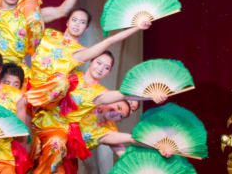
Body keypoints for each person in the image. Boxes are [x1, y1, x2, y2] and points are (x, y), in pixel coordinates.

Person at [29, 51, 167, 173]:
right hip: (39, 121)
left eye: (123, 114)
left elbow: (129, 143)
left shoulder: (103, 119)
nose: (116, 113)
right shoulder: (73, 76)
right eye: (119, 107)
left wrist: (156, 145)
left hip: (57, 147)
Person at [25, 8, 152, 114]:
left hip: (44, 96)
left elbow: (109, 41)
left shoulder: (80, 52)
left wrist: (137, 27)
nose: (76, 24)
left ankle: (34, 103)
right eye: (74, 20)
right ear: (67, 22)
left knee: (61, 82)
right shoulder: (49, 34)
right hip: (27, 80)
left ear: (86, 28)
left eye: (82, 22)